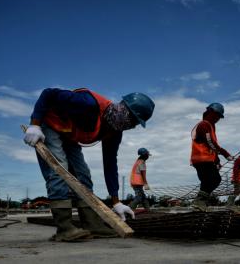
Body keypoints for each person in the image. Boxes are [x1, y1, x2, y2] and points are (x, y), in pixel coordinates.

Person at [23, 88, 155, 241]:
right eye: (133, 121)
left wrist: (116, 202)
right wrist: (35, 124)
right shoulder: (88, 104)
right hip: (49, 124)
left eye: (136, 124)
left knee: (84, 175)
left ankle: (92, 224)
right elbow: (48, 94)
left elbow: (110, 164)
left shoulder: (114, 132)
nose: (133, 126)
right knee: (60, 170)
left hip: (68, 135)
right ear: (124, 110)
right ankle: (64, 228)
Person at [190, 103, 233, 211]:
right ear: (210, 113)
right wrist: (225, 153)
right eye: (217, 115)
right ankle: (199, 202)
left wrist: (217, 161)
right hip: (201, 158)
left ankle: (199, 205)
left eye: (219, 117)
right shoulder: (204, 124)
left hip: (205, 159)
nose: (218, 118)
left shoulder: (210, 126)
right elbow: (210, 143)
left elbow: (211, 147)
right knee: (214, 179)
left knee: (207, 181)